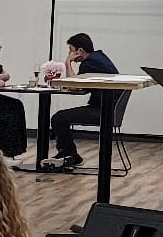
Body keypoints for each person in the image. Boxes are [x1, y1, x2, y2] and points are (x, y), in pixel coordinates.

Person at [46, 33, 119, 170]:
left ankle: (70, 155)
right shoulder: (99, 57)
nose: (69, 54)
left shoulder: (89, 63)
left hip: (102, 111)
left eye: (70, 50)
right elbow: (80, 85)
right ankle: (69, 154)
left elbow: (73, 86)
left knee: (58, 118)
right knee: (61, 117)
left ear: (80, 51)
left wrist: (67, 63)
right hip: (110, 109)